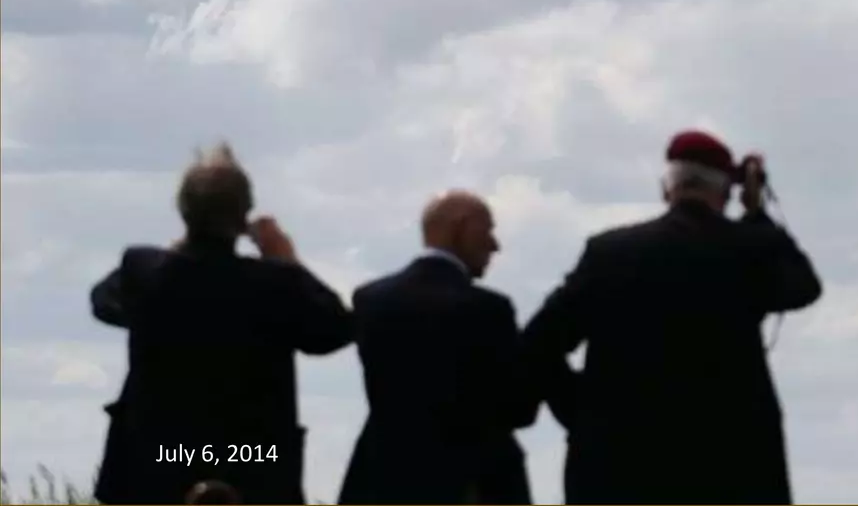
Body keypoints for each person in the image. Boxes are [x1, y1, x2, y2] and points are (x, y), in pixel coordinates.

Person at [523, 130, 823, 504]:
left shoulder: (609, 254)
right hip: (732, 468)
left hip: (618, 468)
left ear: (667, 187)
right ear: (726, 192)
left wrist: (584, 411)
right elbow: (803, 287)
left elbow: (538, 343)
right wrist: (757, 213)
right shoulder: (750, 248)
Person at [90, 144, 353, 505]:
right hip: (255, 468)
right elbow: (335, 330)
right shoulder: (277, 284)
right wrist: (288, 261)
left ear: (184, 211)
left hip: (154, 467)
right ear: (244, 215)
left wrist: (174, 255)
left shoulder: (145, 270)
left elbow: (103, 302)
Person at [339, 190, 537, 504]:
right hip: (471, 483)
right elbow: (518, 409)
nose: (494, 245)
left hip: (382, 481)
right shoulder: (488, 309)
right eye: (487, 230)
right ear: (461, 227)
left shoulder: (369, 300)